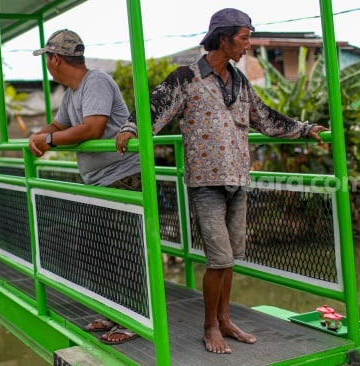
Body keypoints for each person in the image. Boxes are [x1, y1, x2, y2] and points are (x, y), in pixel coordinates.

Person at [115, 8, 328, 354]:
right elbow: (154, 108)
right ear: (223, 37)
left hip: (237, 179)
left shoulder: (240, 82)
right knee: (218, 259)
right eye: (244, 38)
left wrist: (305, 129)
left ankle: (226, 319)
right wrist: (131, 128)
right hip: (205, 183)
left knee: (230, 258)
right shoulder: (186, 77)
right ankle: (210, 326)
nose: (248, 45)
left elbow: (267, 119)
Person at [29, 29, 141, 345]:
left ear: (54, 58)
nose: (48, 65)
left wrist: (47, 140)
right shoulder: (71, 94)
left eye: (47, 59)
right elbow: (59, 125)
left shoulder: (96, 82)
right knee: (99, 251)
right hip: (98, 182)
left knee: (124, 252)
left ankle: (133, 319)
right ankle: (113, 312)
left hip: (121, 178)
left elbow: (92, 127)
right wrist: (38, 135)